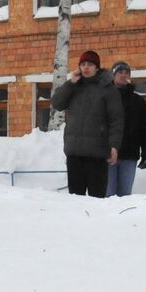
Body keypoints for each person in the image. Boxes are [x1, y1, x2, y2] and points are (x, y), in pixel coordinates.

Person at [50, 49, 122, 198]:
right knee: (75, 200)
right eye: (83, 64)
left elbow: (116, 120)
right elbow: (57, 103)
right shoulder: (73, 86)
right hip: (75, 152)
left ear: (97, 67)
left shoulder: (108, 89)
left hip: (97, 153)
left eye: (90, 64)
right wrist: (70, 83)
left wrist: (114, 146)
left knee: (97, 199)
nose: (86, 67)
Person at [106, 61, 146, 197]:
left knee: (125, 196)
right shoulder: (104, 98)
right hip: (107, 155)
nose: (123, 75)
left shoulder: (138, 101)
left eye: (126, 73)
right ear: (113, 75)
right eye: (120, 72)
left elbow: (145, 129)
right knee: (108, 196)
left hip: (130, 155)